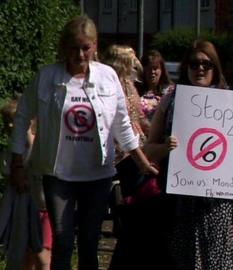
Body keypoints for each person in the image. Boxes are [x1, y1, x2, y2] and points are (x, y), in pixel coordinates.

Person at [8, 15, 158, 270]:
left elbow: (122, 124)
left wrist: (142, 162)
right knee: (63, 241)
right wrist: (18, 163)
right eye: (74, 47)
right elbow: (22, 118)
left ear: (95, 45)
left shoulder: (108, 77)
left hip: (96, 175)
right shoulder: (47, 77)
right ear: (64, 47)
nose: (80, 54)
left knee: (90, 242)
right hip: (58, 174)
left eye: (86, 47)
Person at [145, 40, 233, 270]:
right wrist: (166, 146)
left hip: (218, 204)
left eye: (207, 64)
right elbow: (149, 148)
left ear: (216, 68)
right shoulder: (171, 99)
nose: (201, 69)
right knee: (181, 262)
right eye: (195, 64)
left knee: (217, 264)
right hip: (179, 201)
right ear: (186, 68)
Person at [0, 98, 52, 270]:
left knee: (42, 254)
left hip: (43, 208)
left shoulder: (40, 146)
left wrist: (28, 135)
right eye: (7, 122)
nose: (10, 126)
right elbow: (10, 177)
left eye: (14, 122)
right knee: (25, 256)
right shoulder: (10, 152)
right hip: (23, 209)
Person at [101, 44, 150, 161]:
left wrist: (151, 131)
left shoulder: (129, 85)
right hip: (116, 146)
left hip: (136, 144)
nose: (133, 66)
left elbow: (139, 115)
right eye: (129, 62)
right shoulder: (107, 86)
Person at [139, 49, 174, 119]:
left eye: (155, 68)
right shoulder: (136, 91)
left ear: (162, 70)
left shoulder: (170, 92)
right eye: (149, 68)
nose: (152, 72)